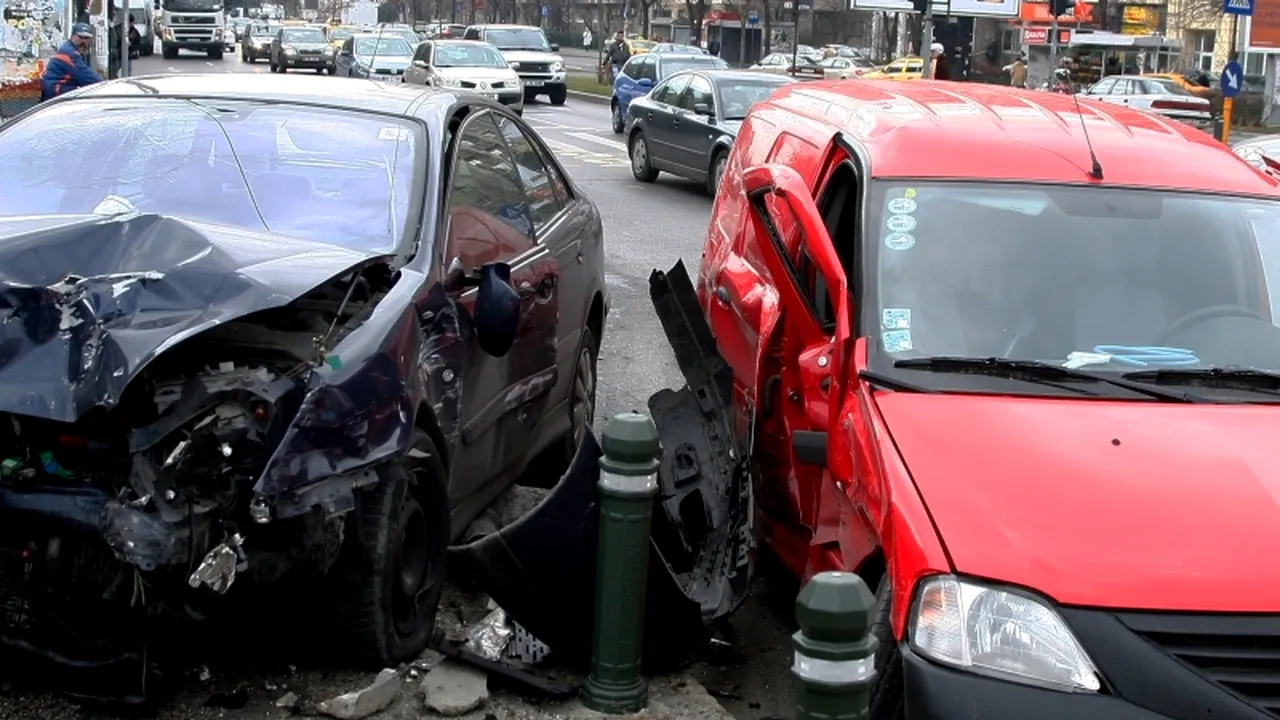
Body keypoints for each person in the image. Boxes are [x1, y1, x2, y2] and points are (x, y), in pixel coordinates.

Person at [41, 23, 102, 100]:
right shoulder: (69, 53)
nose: (83, 41)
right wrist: (104, 86)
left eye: (86, 38)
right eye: (80, 37)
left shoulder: (75, 51)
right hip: (57, 92)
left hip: (63, 89)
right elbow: (87, 77)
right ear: (72, 36)